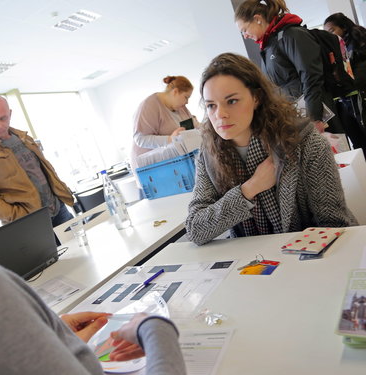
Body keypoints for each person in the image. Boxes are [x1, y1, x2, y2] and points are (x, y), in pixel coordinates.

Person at [0, 94, 187, 374]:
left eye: (3, 118)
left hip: (54, 210)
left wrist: (42, 331)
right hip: (30, 217)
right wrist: (153, 327)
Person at [185, 53, 357, 245]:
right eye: (211, 106)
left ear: (256, 97)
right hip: (252, 261)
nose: (220, 114)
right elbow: (195, 229)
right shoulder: (209, 156)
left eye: (232, 101)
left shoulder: (305, 143)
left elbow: (335, 225)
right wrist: (250, 189)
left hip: (311, 257)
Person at [235, 0, 366, 159]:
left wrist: (314, 117)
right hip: (298, 119)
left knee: (337, 164)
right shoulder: (269, 45)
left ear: (257, 18)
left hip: (318, 115)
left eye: (244, 29)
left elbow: (311, 78)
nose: (245, 35)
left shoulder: (293, 35)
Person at [0, 94, 74, 226]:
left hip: (59, 209)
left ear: (10, 114)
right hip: (29, 222)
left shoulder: (24, 137)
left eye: (3, 118)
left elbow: (43, 170)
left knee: (79, 246)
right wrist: (19, 215)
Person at [130, 75, 199, 171]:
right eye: (186, 97)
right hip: (152, 168)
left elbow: (195, 125)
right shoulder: (149, 105)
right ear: (175, 92)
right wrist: (170, 139)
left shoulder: (180, 107)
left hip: (177, 162)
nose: (187, 102)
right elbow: (140, 139)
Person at [324, 12, 366, 91]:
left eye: (332, 31)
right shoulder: (342, 46)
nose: (330, 36)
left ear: (343, 27)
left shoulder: (357, 41)